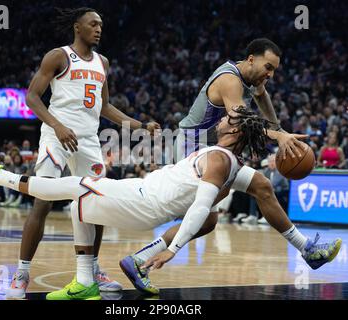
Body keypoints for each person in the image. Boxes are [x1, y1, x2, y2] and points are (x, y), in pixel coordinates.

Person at [0, 107, 342, 299]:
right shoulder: (232, 164)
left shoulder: (218, 160)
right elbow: (256, 189)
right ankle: (98, 276)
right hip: (139, 198)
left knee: (71, 185)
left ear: (235, 130)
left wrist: (174, 248)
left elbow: (199, 209)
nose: (222, 120)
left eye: (228, 119)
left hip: (138, 202)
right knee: (79, 198)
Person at [118, 38, 339, 293]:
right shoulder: (230, 80)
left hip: (213, 149)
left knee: (255, 191)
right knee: (207, 212)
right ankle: (140, 257)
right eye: (268, 67)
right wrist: (279, 137)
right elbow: (244, 121)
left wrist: (280, 130)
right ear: (251, 59)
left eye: (275, 70)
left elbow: (262, 97)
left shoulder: (250, 79)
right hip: (194, 148)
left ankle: (308, 251)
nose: (271, 74)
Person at [6, 7, 160, 298]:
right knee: (43, 201)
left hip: (88, 141)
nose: (99, 28)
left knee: (96, 206)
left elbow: (104, 107)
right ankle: (21, 273)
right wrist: (58, 125)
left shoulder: (103, 62)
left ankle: (92, 271)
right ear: (78, 27)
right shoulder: (58, 56)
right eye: (93, 24)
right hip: (56, 136)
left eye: (101, 24)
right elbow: (32, 97)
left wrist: (140, 124)